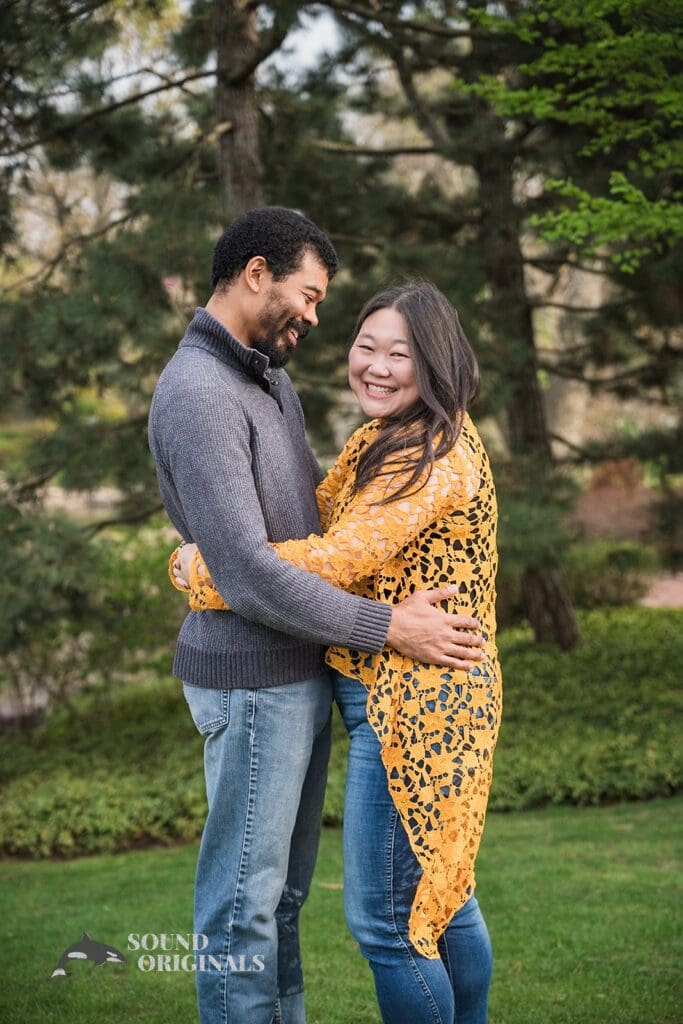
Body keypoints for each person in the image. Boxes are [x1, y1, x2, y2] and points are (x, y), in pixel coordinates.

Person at [148, 208, 486, 1024]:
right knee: (246, 906)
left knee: (293, 899)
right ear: (256, 273)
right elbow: (261, 565)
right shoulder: (200, 390)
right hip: (254, 675)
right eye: (309, 294)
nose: (315, 316)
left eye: (392, 349)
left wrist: (198, 567)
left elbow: (312, 538)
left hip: (328, 675)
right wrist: (381, 626)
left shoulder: (271, 380)